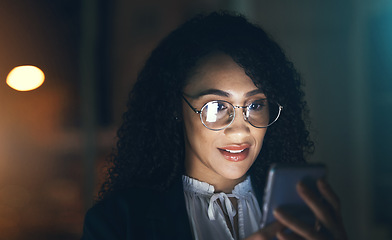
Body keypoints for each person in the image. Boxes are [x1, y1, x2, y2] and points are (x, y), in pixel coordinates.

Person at [81, 11, 347, 240]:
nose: (241, 130)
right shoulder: (118, 223)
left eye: (255, 105)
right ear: (175, 107)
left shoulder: (300, 212)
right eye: (217, 107)